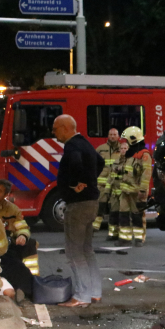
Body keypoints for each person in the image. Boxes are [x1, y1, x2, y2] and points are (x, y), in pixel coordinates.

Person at [52, 114, 105, 307]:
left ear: (66, 128)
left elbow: (74, 163)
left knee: (74, 251)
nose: (53, 132)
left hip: (78, 204)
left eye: (55, 128)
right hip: (91, 202)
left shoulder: (72, 146)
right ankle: (95, 292)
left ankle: (82, 295)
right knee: (87, 249)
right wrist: (89, 180)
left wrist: (75, 184)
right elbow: (100, 162)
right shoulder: (85, 143)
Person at [0, 179, 38, 299]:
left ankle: (30, 286)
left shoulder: (12, 209)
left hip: (5, 243)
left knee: (30, 245)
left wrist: (22, 236)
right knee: (12, 264)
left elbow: (22, 226)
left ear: (6, 195)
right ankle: (23, 288)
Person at [116, 126, 151, 247]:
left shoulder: (144, 155)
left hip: (136, 191)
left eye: (127, 140)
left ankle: (138, 239)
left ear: (133, 139)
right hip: (125, 190)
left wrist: (142, 190)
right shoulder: (130, 154)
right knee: (123, 214)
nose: (125, 142)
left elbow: (146, 174)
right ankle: (124, 239)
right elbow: (127, 169)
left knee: (137, 215)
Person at [93, 128, 122, 233]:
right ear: (108, 136)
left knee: (113, 208)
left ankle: (113, 231)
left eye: (115, 134)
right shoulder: (101, 149)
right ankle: (94, 227)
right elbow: (94, 164)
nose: (113, 136)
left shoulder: (122, 149)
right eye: (111, 134)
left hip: (115, 184)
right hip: (102, 184)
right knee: (99, 206)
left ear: (118, 136)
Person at [107, 140, 129, 241]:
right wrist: (107, 190)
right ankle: (112, 234)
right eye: (122, 148)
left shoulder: (131, 161)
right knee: (113, 213)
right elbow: (111, 176)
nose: (123, 150)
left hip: (125, 193)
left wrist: (121, 168)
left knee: (124, 215)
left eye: (125, 148)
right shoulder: (115, 161)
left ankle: (123, 235)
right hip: (115, 192)